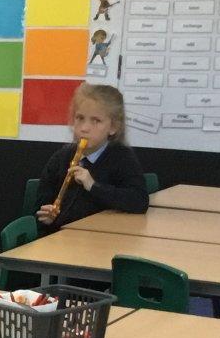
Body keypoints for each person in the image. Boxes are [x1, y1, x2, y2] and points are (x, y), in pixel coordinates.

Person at [34, 83, 147, 233]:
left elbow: (139, 201)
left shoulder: (122, 158)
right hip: (62, 239)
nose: (84, 128)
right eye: (80, 118)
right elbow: (40, 206)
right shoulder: (61, 158)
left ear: (113, 127)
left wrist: (93, 186)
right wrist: (47, 217)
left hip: (104, 238)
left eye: (96, 121)